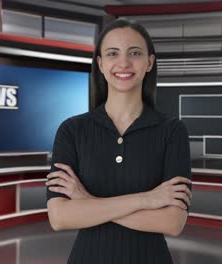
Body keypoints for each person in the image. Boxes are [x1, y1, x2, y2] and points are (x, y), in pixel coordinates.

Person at [45, 17, 192, 264]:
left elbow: (172, 222)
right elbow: (59, 217)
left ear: (149, 62)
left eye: (134, 53)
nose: (123, 62)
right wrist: (146, 200)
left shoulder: (172, 131)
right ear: (101, 64)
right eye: (113, 53)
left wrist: (87, 203)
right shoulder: (72, 130)